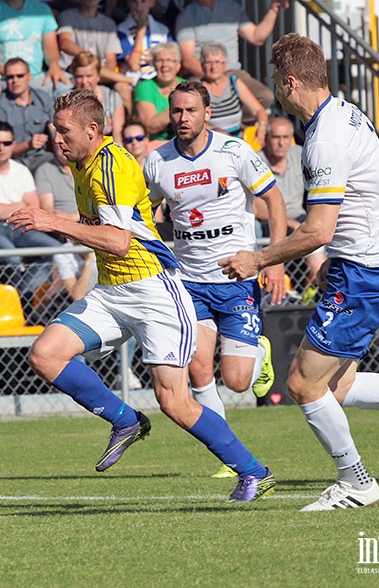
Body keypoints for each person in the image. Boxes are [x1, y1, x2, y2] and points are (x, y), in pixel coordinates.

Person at [219, 33, 379, 511]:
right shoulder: (344, 112)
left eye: (277, 83)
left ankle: (356, 482)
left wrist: (257, 259)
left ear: (290, 81)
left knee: (302, 383)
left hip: (364, 270)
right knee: (336, 386)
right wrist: (335, 257)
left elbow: (318, 230)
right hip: (363, 263)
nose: (276, 93)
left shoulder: (325, 137)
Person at [7, 89, 276, 503]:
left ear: (92, 130)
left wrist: (51, 220)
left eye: (64, 131)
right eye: (54, 131)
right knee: (45, 354)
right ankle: (125, 420)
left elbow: (117, 241)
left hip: (154, 293)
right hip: (113, 291)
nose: (57, 139)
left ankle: (254, 472)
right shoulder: (83, 163)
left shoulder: (111, 166)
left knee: (175, 403)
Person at [144, 81, 285, 478]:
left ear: (207, 113)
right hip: (189, 281)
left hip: (235, 277)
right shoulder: (157, 162)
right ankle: (229, 453)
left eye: (190, 111)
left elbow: (273, 199)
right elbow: (147, 209)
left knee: (237, 381)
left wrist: (272, 261)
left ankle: (260, 351)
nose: (183, 118)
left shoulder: (234, 151)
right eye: (176, 111)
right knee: (199, 369)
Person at [0, 121, 62, 298]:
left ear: (13, 144)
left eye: (6, 143)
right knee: (13, 259)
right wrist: (22, 205)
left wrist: (16, 207)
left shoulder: (21, 170)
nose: (1, 148)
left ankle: (19, 298)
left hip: (20, 227)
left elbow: (34, 206)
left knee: (58, 252)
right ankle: (14, 303)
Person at [175, 0, 287, 114]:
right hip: (203, 74)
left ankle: (237, 124)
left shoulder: (232, 8)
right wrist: (214, 75)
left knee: (265, 96)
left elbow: (257, 37)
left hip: (233, 73)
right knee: (193, 104)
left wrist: (273, 10)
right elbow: (188, 60)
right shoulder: (185, 17)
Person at [255, 115, 325, 289]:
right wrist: (291, 223)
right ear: (266, 139)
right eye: (276, 137)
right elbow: (258, 209)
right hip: (269, 221)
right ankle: (316, 292)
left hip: (299, 217)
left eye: (286, 137)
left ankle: (312, 291)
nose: (281, 143)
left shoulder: (299, 154)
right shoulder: (256, 161)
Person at [57, 0, 134, 107]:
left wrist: (97, 75)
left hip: (99, 76)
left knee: (123, 88)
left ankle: (129, 123)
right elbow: (65, 43)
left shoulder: (109, 24)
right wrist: (89, 61)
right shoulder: (67, 16)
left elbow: (111, 61)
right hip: (71, 75)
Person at [0, 0, 68, 93]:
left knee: (66, 89)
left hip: (37, 77)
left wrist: (54, 66)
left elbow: (50, 46)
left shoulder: (42, 11)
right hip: (8, 79)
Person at [0, 58, 55, 172]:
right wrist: (28, 145)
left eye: (20, 76)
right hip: (11, 161)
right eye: (10, 77)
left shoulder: (43, 99)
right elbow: (0, 147)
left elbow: (56, 132)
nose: (15, 81)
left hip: (40, 159)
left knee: (58, 166)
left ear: (29, 76)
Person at [199, 42, 267, 142]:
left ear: (225, 65)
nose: (213, 67)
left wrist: (262, 125)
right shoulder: (198, 89)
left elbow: (258, 110)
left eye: (218, 62)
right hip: (211, 142)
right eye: (209, 62)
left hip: (238, 141)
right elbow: (196, 122)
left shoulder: (234, 82)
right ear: (202, 65)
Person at [116, 0, 172, 85]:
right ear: (128, 2)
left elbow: (172, 58)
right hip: (135, 81)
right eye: (134, 1)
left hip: (161, 78)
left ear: (152, 3)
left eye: (143, 1)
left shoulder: (163, 30)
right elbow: (134, 65)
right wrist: (140, 32)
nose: (138, 7)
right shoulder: (121, 30)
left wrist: (154, 57)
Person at [67, 51, 124, 140]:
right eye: (79, 76)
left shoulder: (112, 97)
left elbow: (118, 135)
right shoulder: (66, 100)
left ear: (98, 76)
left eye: (89, 76)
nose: (84, 81)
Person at [133, 42, 183, 141]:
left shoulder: (187, 85)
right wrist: (179, 108)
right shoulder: (145, 87)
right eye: (160, 60)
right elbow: (150, 126)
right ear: (154, 65)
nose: (164, 65)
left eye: (169, 60)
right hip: (156, 143)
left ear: (178, 65)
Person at [34, 137, 78, 222]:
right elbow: (47, 210)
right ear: (54, 146)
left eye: (68, 141)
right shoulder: (45, 171)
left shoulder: (91, 167)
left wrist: (74, 217)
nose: (64, 146)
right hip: (61, 227)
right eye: (59, 143)